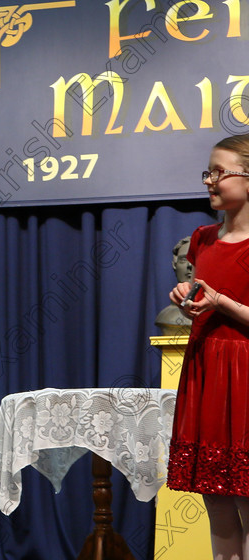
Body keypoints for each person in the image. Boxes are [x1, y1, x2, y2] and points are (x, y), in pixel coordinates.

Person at [166, 134, 249, 560]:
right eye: (208, 172)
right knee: (214, 499)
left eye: (220, 172)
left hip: (246, 378)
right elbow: (203, 300)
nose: (210, 181)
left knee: (247, 500)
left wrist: (223, 303)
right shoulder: (201, 239)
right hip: (206, 373)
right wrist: (187, 297)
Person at [154, 236, 193, 334]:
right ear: (174, 265)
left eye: (195, 258)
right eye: (184, 259)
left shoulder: (214, 316)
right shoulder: (166, 316)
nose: (189, 265)